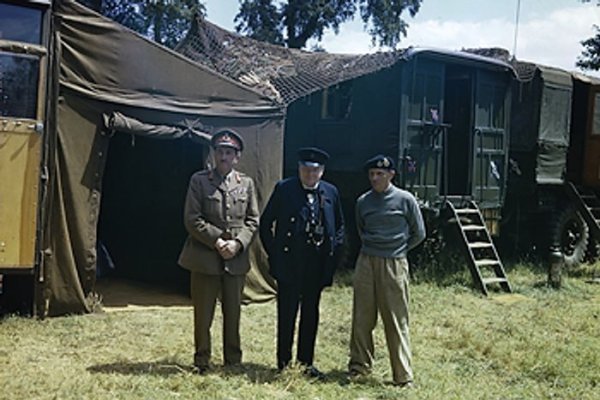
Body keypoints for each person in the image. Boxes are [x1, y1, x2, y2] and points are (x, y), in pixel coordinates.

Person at [178, 129, 259, 374]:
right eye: (220, 151)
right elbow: (192, 219)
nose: (223, 156)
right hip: (205, 256)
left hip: (235, 258)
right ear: (213, 154)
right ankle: (202, 360)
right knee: (203, 313)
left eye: (229, 152)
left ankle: (233, 360)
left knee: (233, 312)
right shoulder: (199, 181)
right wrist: (217, 241)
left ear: (237, 157)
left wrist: (238, 244)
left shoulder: (246, 183)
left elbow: (253, 220)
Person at [259, 147, 344, 379]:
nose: (310, 175)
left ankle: (306, 362)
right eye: (306, 170)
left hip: (316, 264)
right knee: (287, 313)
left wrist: (333, 254)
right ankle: (284, 362)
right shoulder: (284, 189)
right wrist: (274, 255)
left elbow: (339, 227)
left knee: (311, 314)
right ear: (299, 169)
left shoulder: (331, 192)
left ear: (322, 172)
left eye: (315, 171)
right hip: (290, 262)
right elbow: (265, 223)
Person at [348, 154, 426, 388]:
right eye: (372, 174)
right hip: (367, 262)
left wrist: (398, 249)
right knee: (362, 317)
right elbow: (361, 229)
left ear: (391, 175)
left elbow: (419, 233)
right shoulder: (363, 201)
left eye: (380, 174)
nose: (375, 178)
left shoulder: (405, 200)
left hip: (394, 263)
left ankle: (402, 376)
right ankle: (359, 367)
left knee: (396, 320)